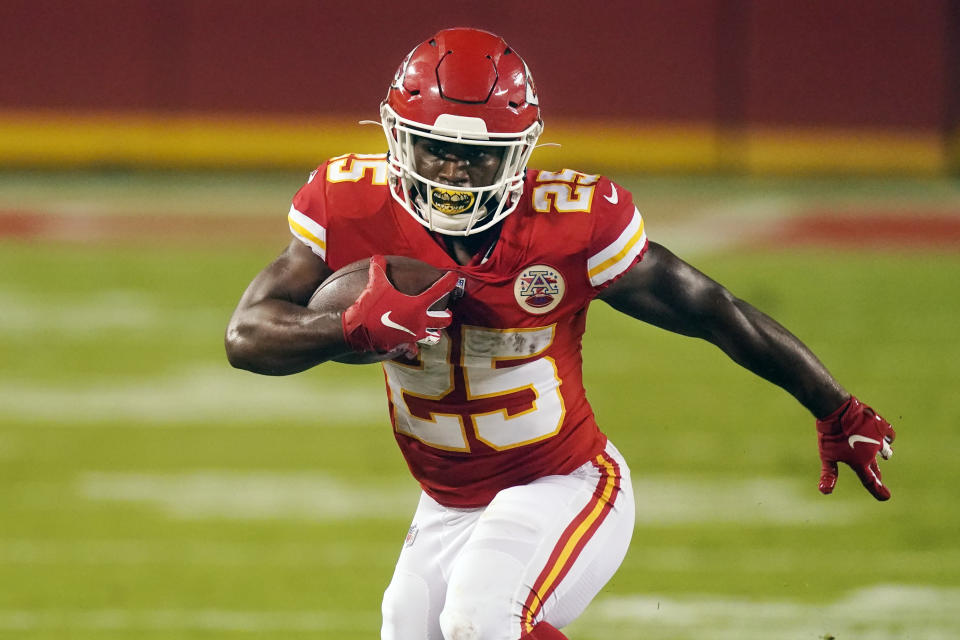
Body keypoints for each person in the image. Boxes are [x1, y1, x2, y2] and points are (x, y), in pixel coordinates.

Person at [225, 27, 896, 640]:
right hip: (448, 501)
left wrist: (833, 405)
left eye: (474, 157)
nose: (453, 174)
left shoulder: (570, 225)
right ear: (398, 138)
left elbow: (707, 307)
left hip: (566, 480)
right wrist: (343, 325)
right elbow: (246, 335)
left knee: (480, 619)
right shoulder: (350, 206)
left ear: (517, 155)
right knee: (411, 627)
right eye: (436, 149)